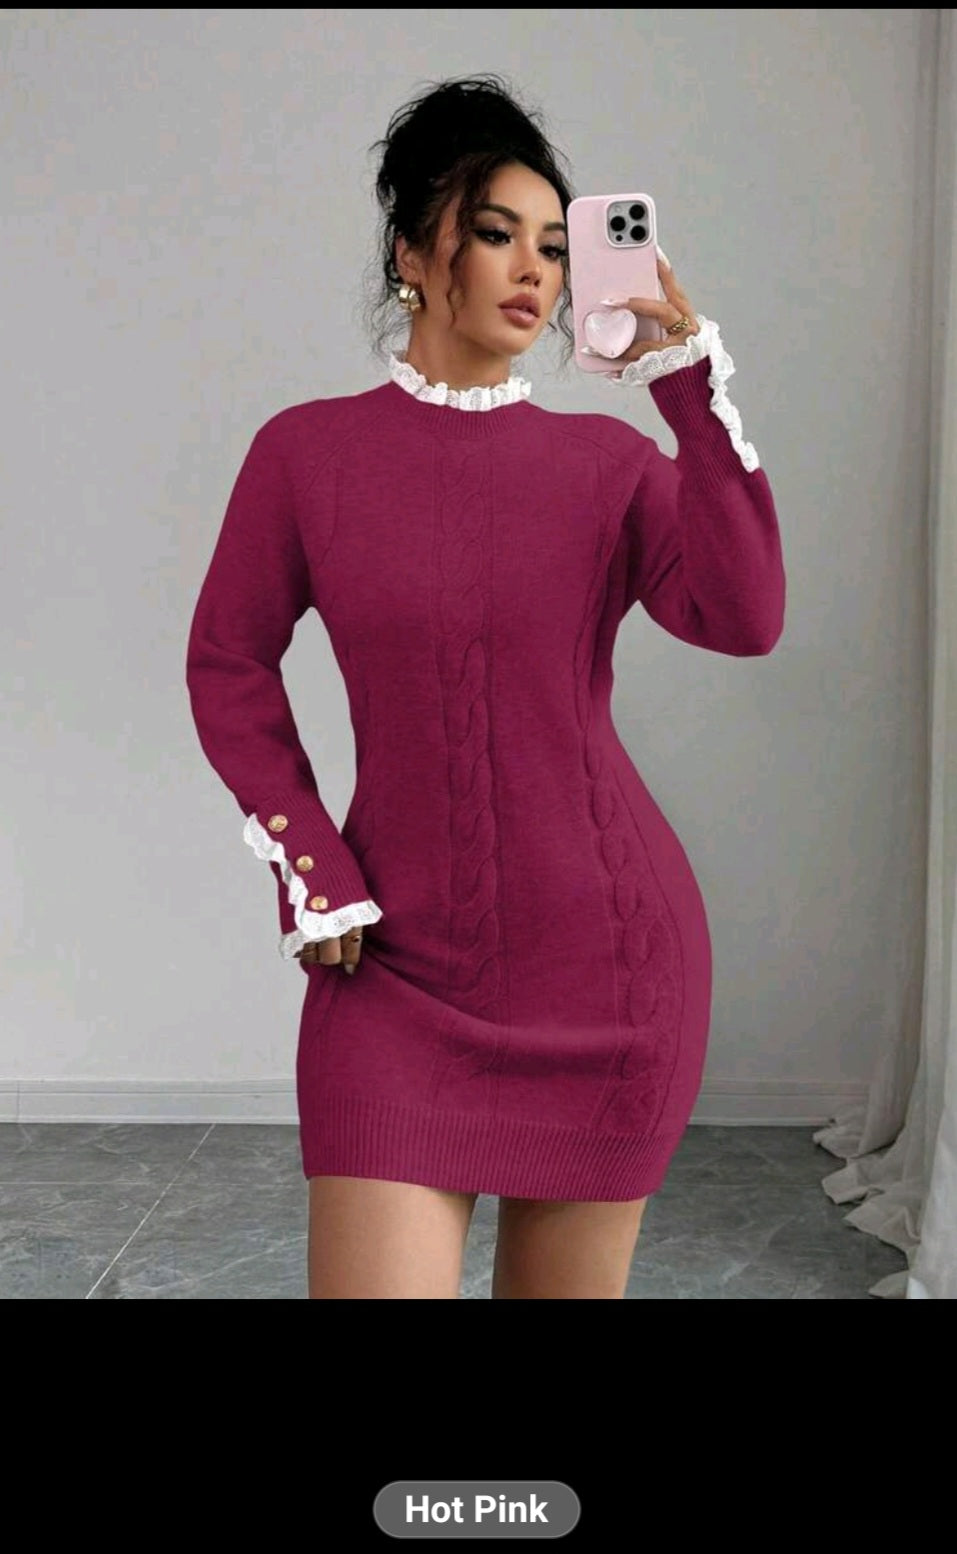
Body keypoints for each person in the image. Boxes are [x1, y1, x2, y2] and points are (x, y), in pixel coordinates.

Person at [185, 74, 786, 1300]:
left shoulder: (608, 464)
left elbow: (745, 618)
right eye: (496, 233)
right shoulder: (306, 454)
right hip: (393, 974)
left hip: (610, 973)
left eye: (556, 247)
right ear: (413, 254)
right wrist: (310, 864)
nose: (534, 272)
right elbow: (227, 662)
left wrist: (688, 387)